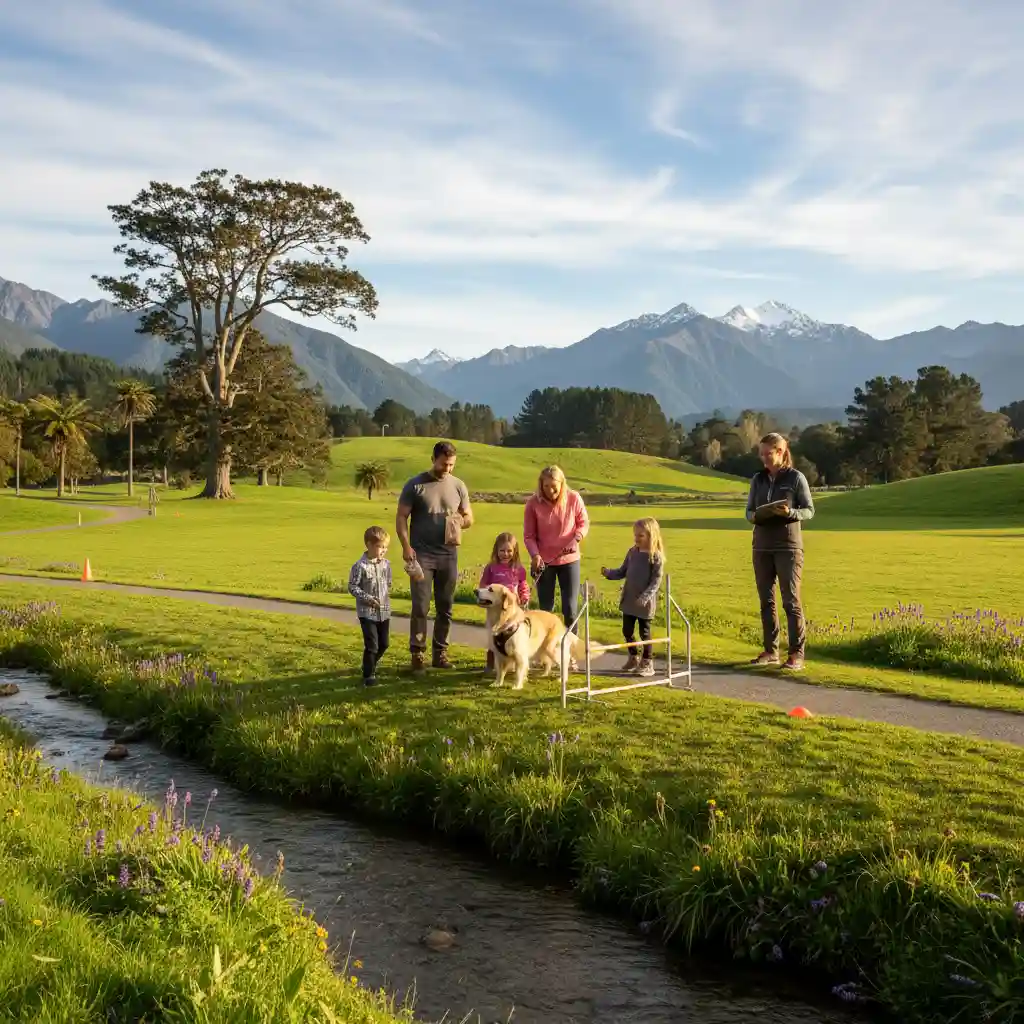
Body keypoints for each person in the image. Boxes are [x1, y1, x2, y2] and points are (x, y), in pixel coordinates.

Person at [395, 441, 473, 675]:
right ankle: (417, 653)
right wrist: (406, 546)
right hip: (421, 556)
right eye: (444, 464)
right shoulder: (415, 485)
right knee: (420, 606)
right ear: (433, 459)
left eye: (451, 465)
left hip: (448, 555)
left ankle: (441, 654)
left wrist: (461, 521)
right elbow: (401, 518)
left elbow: (469, 517)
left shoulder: (458, 486)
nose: (448, 469)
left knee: (445, 607)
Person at [745, 432, 815, 671]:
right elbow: (748, 511)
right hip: (761, 546)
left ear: (781, 452)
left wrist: (791, 514)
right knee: (766, 601)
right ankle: (770, 650)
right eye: (761, 454)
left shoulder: (796, 478)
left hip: (788, 547)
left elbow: (809, 510)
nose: (764, 458)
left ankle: (796, 654)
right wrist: (753, 516)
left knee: (791, 601)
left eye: (768, 453)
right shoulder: (758, 479)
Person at [523, 465, 590, 670]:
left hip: (569, 560)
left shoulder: (573, 498)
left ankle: (570, 655)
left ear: (562, 485)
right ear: (540, 485)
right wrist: (535, 556)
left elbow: (583, 522)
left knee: (570, 609)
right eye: (546, 487)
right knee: (546, 611)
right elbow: (529, 536)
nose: (550, 491)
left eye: (554, 487)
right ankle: (546, 655)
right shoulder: (533, 504)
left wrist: (577, 537)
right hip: (545, 562)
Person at [601, 517, 665, 677]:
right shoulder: (632, 552)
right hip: (629, 600)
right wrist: (609, 573)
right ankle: (633, 657)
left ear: (651, 536)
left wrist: (645, 598)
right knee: (627, 630)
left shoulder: (655, 557)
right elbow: (622, 571)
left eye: (640, 536)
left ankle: (647, 661)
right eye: (635, 535)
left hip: (644, 603)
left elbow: (656, 582)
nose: (636, 538)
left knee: (644, 633)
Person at [479, 532, 531, 674]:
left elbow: (523, 585)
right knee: (493, 636)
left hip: (513, 610)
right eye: (502, 550)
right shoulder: (491, 568)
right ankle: (491, 664)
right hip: (495, 610)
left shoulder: (518, 569)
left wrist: (525, 595)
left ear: (515, 552)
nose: (505, 554)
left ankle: (515, 663)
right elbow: (483, 586)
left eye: (509, 551)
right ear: (496, 550)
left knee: (513, 636)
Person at [347, 525, 393, 687]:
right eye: (380, 546)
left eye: (385, 547)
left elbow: (388, 583)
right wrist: (367, 598)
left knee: (384, 644)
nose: (383, 550)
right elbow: (352, 587)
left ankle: (369, 664)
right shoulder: (359, 566)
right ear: (369, 545)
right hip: (367, 613)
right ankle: (369, 675)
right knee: (372, 645)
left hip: (384, 612)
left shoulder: (387, 565)